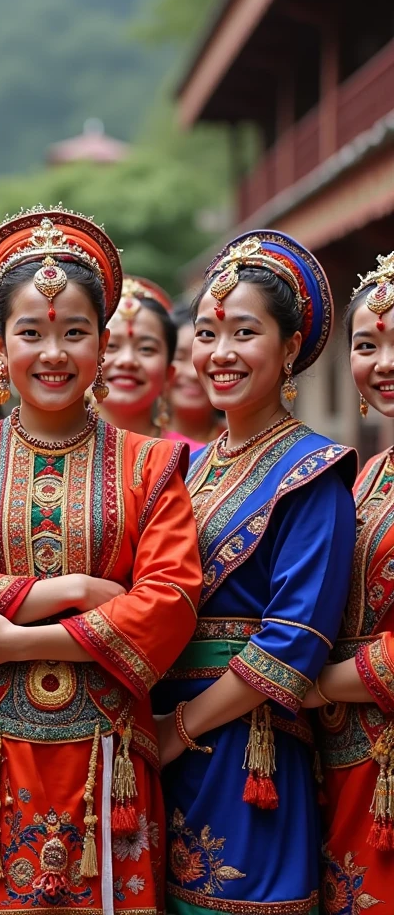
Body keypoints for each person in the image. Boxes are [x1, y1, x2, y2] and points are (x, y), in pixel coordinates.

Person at [0, 206, 204, 915]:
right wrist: (81, 587)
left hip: (108, 757)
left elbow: (169, 601)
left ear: (101, 342)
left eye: (74, 332)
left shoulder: (151, 466)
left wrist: (15, 641)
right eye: (31, 333)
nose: (54, 353)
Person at [152, 231, 357, 915]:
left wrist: (178, 731)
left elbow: (293, 643)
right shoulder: (190, 467)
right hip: (167, 748)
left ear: (291, 346)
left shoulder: (313, 473)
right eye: (207, 332)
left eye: (245, 332)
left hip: (250, 752)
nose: (221, 353)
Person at [306, 252, 394, 911]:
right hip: (348, 763)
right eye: (367, 344)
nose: (383, 363)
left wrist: (308, 684)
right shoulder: (365, 476)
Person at [99, 275, 185, 441]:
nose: (127, 360)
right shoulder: (52, 451)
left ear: (169, 373)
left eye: (146, 349)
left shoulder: (195, 460)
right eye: (111, 346)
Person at [169, 309, 223, 447]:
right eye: (179, 358)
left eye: (208, 360)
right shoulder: (140, 439)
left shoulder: (244, 441)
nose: (192, 373)